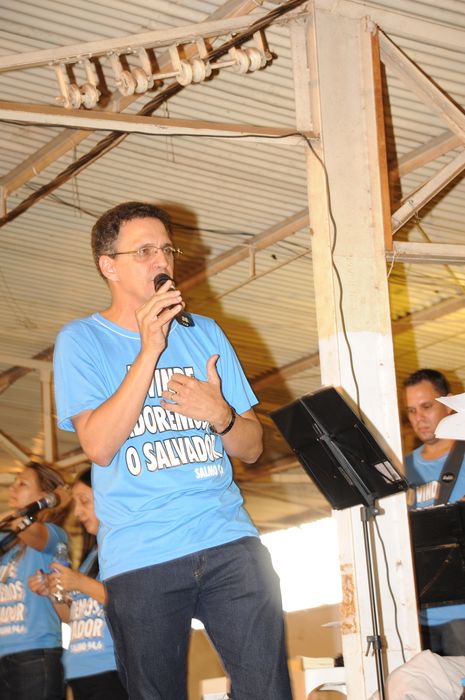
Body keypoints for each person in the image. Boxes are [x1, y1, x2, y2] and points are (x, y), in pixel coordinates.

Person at [53, 201, 292, 700]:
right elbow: (98, 446)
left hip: (227, 539)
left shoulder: (205, 334)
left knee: (267, 690)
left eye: (166, 249)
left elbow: (252, 448)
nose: (161, 260)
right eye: (144, 251)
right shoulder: (81, 341)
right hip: (142, 554)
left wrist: (221, 415)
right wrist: (149, 350)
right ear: (108, 266)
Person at [29, 467, 128, 700]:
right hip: (81, 670)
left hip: (111, 668)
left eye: (84, 501)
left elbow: (131, 600)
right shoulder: (91, 557)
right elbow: (71, 616)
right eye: (75, 503)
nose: (77, 512)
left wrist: (79, 582)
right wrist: (54, 592)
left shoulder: (126, 548)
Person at [404, 368, 465, 655]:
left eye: (427, 406)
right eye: (411, 411)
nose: (419, 418)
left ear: (448, 405)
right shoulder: (400, 468)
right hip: (414, 615)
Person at [0, 460, 68, 700]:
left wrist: (43, 506)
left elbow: (30, 530)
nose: (13, 488)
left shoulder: (53, 534)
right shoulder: (6, 542)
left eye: (23, 484)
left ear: (44, 496)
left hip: (36, 654)